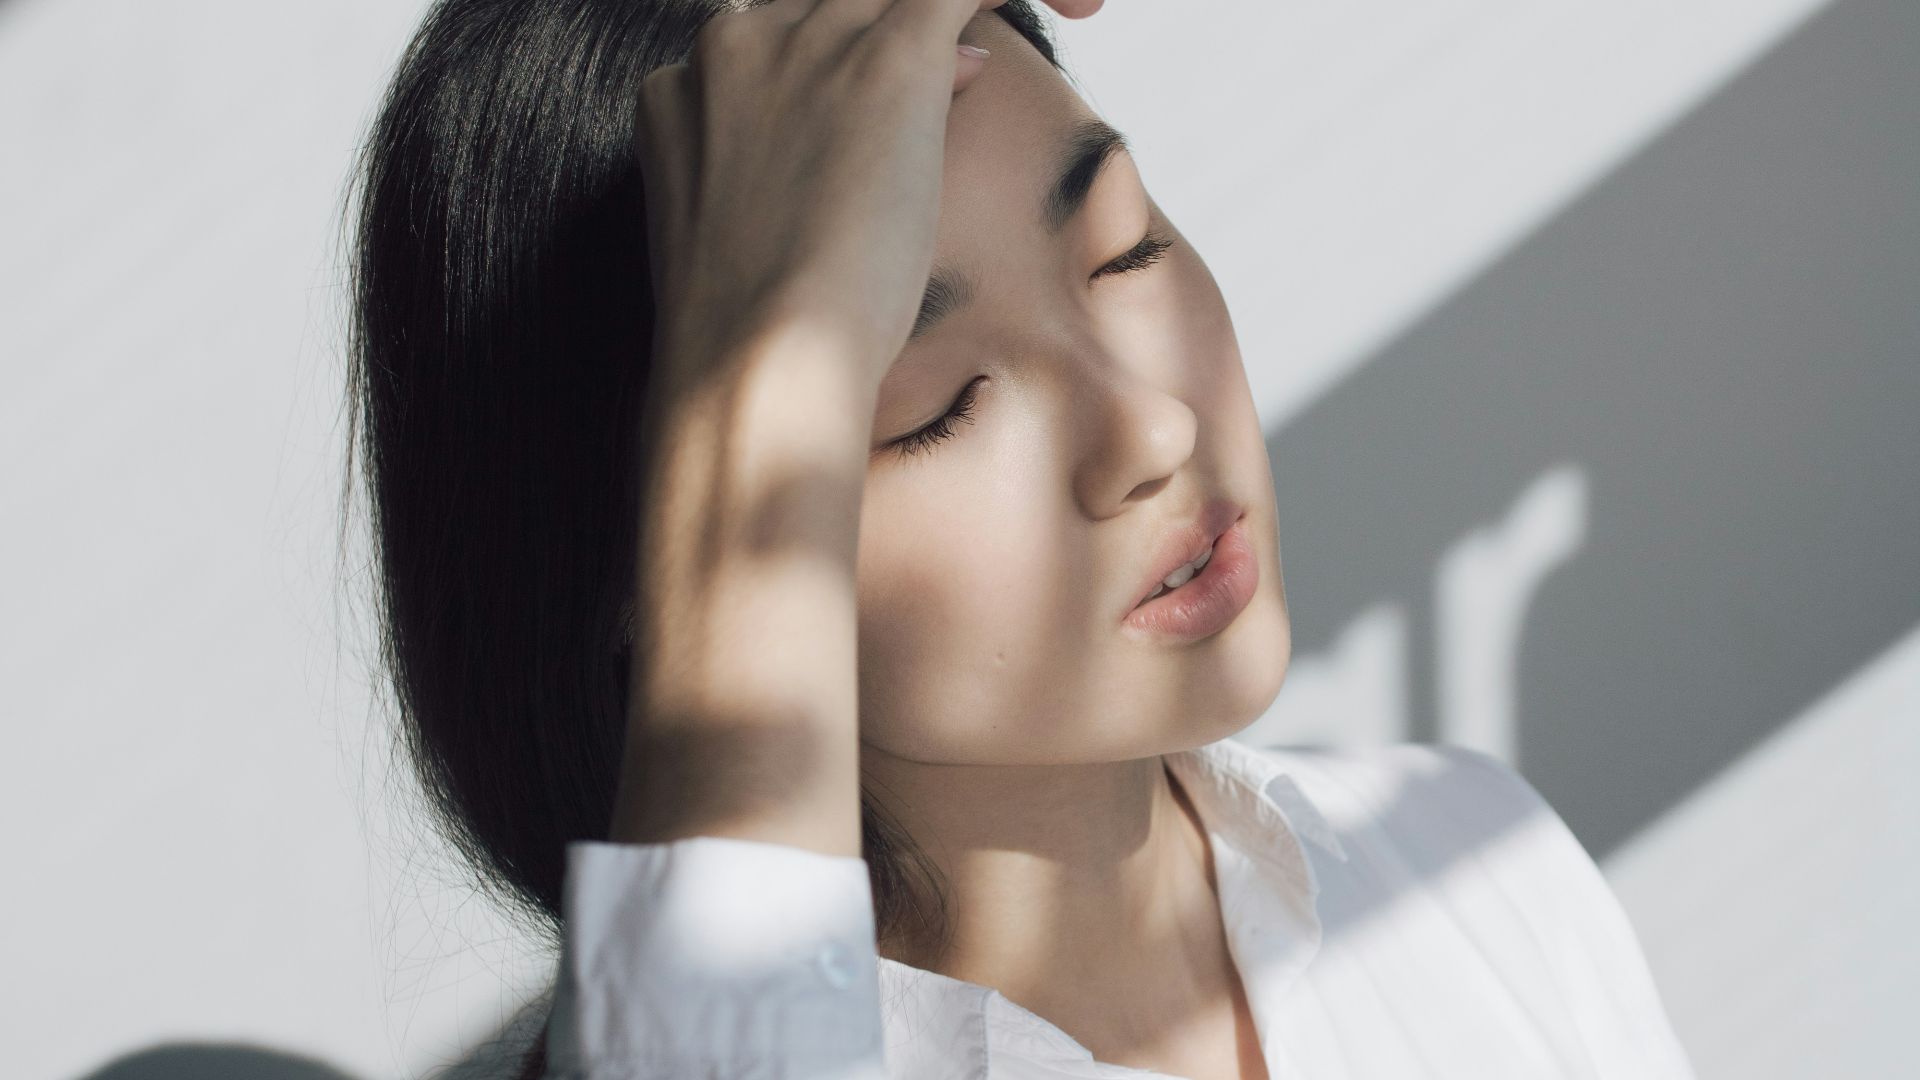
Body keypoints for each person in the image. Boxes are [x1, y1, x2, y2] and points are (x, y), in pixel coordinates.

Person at [341, 0, 1699, 1076]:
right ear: (662, 547)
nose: (1151, 428)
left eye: (1123, 249)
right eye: (935, 408)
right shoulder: (707, 1041)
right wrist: (765, 372)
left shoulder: (1474, 868)